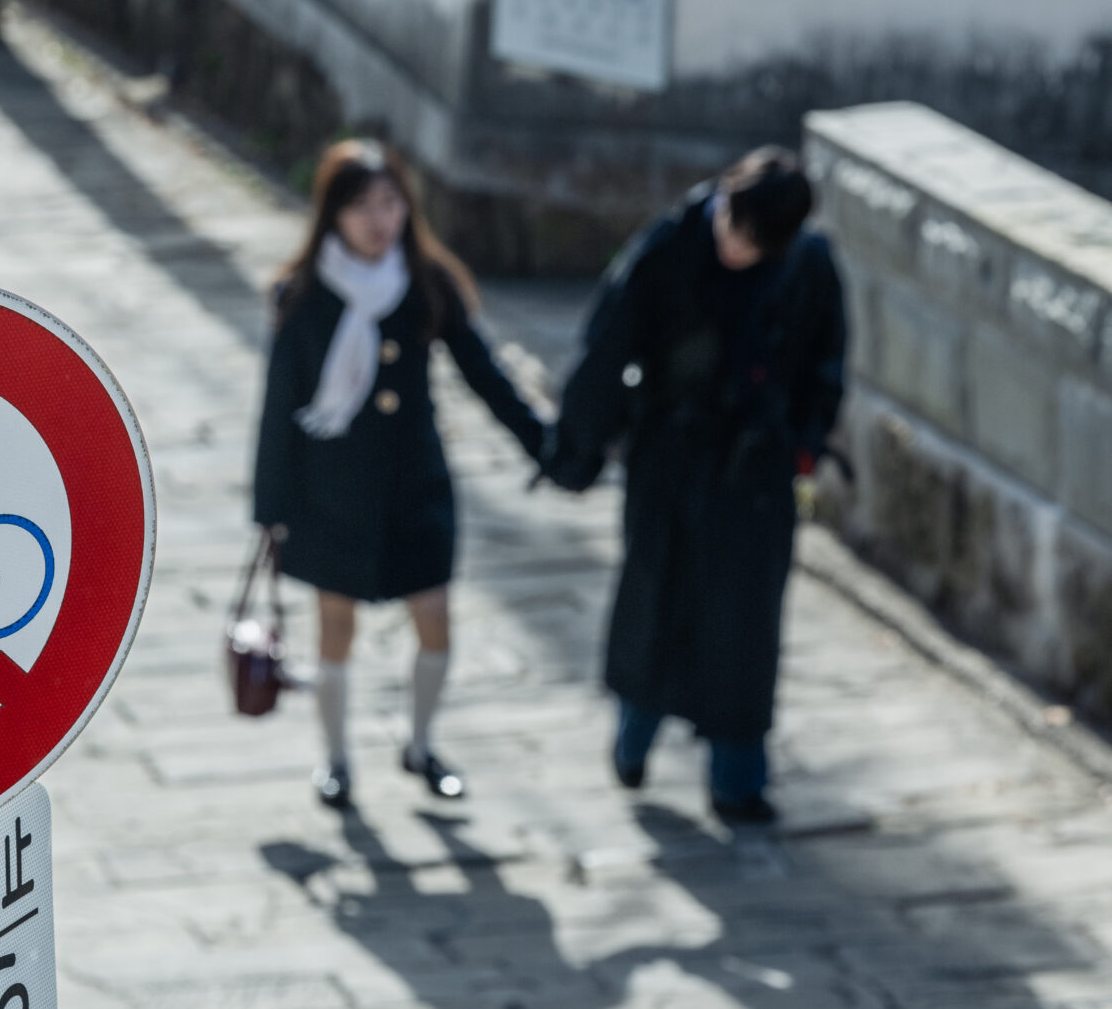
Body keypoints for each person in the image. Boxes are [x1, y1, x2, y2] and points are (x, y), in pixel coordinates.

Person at [544, 147, 847, 828]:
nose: (737, 250)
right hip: (670, 461)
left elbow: (826, 362)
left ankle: (736, 780)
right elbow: (606, 344)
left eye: (754, 244)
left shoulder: (808, 264)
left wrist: (801, 442)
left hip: (755, 475)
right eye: (733, 232)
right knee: (655, 602)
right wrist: (574, 443)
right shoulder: (669, 244)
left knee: (744, 627)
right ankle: (633, 740)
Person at [253, 138, 550, 809]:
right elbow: (277, 408)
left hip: (415, 484)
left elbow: (483, 374)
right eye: (361, 206)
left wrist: (543, 443)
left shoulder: (423, 282)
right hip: (331, 490)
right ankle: (334, 761)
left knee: (434, 614)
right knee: (336, 624)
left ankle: (420, 745)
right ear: (332, 214)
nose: (377, 220)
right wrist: (270, 508)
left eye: (389, 203)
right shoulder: (300, 295)